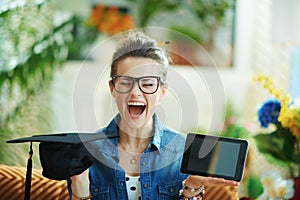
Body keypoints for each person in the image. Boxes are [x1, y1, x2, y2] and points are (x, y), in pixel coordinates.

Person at [69, 30, 239, 200]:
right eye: (126, 82)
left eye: (148, 84)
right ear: (112, 89)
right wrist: (80, 186)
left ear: (162, 92)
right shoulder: (86, 152)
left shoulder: (183, 152)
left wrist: (191, 189)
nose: (135, 92)